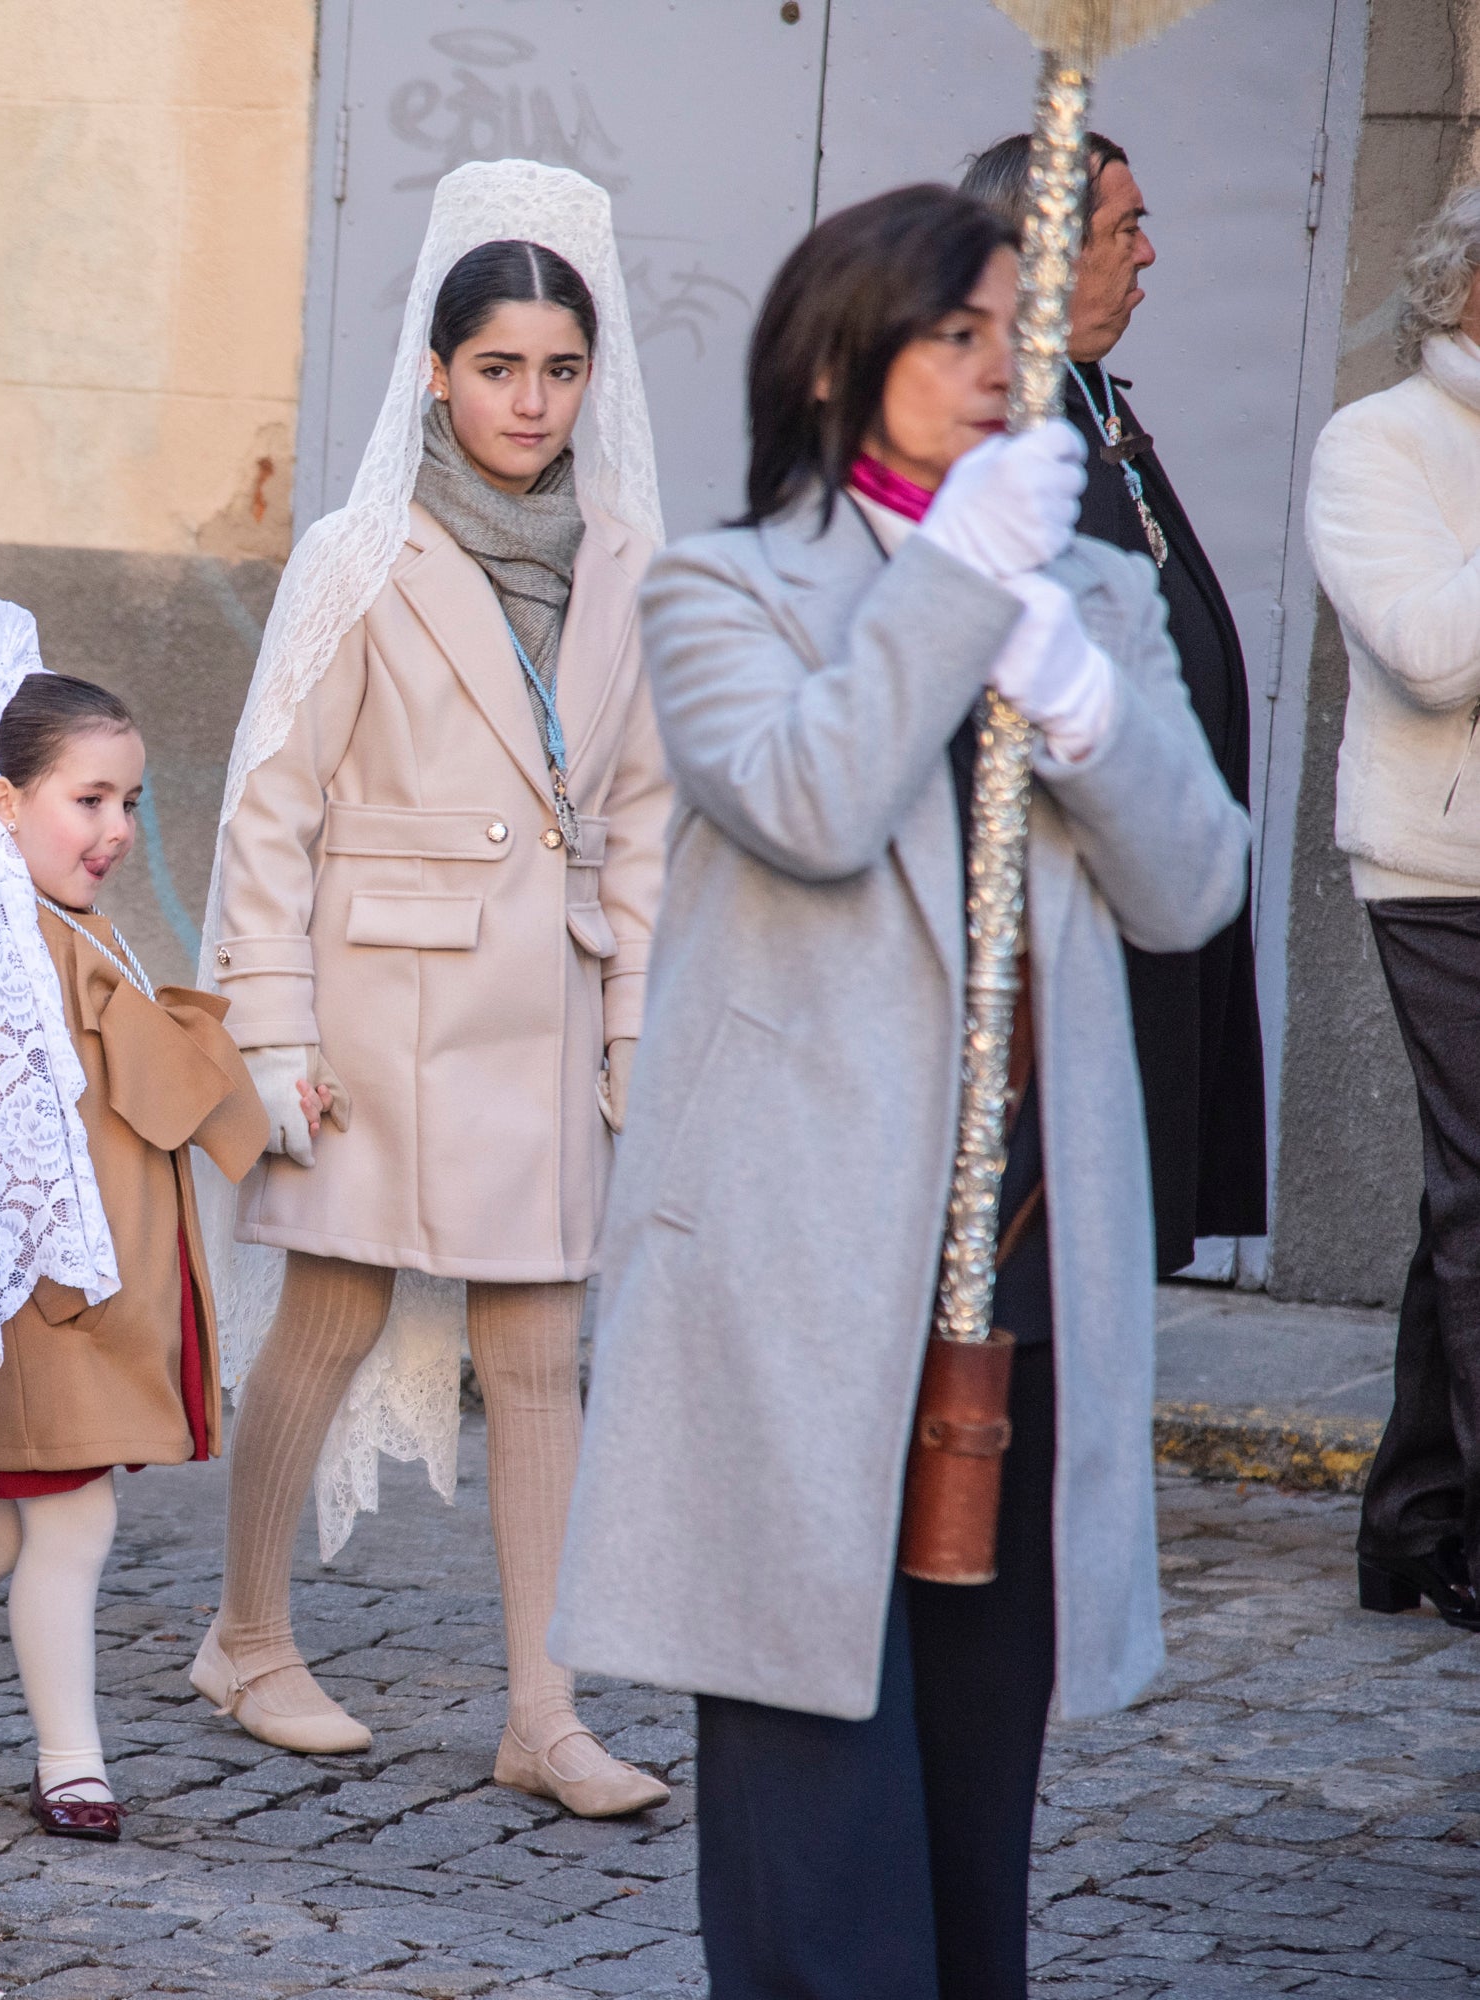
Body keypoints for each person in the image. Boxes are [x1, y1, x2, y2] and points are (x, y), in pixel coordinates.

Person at [550, 184, 1248, 1999]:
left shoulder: (1084, 582)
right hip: (792, 1279)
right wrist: (950, 589)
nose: (994, 367)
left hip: (1015, 1271)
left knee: (971, 1811)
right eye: (956, 334)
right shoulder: (725, 583)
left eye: (1012, 333)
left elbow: (1196, 884)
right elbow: (802, 797)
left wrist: (1080, 689)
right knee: (816, 1811)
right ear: (844, 356)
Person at [194, 160, 671, 1817]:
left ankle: (543, 1713)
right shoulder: (357, 553)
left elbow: (648, 817)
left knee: (541, 1350)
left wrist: (631, 1028)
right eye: (497, 368)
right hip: (375, 1009)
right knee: (326, 1319)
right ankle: (247, 1633)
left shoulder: (628, 555)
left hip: (549, 1009)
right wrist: (269, 1034)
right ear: (435, 369)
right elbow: (272, 801)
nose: (529, 401)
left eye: (558, 370)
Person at [0, 601, 267, 1841]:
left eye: (127, 803)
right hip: (40, 1291)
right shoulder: (10, 948)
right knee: (69, 1514)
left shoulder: (63, 930)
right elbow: (159, 1077)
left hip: (77, 1290)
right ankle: (69, 1760)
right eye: (88, 800)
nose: (117, 831)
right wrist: (264, 1103)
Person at [963, 131, 1267, 1278]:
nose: (1147, 254)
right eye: (1120, 228)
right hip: (1070, 914)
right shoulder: (1007, 427)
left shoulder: (1091, 400)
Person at [1306, 181, 1480, 1635]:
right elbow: (1429, 651)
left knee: (1466, 1201)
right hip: (1442, 873)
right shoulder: (1378, 443)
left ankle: (1414, 1520)